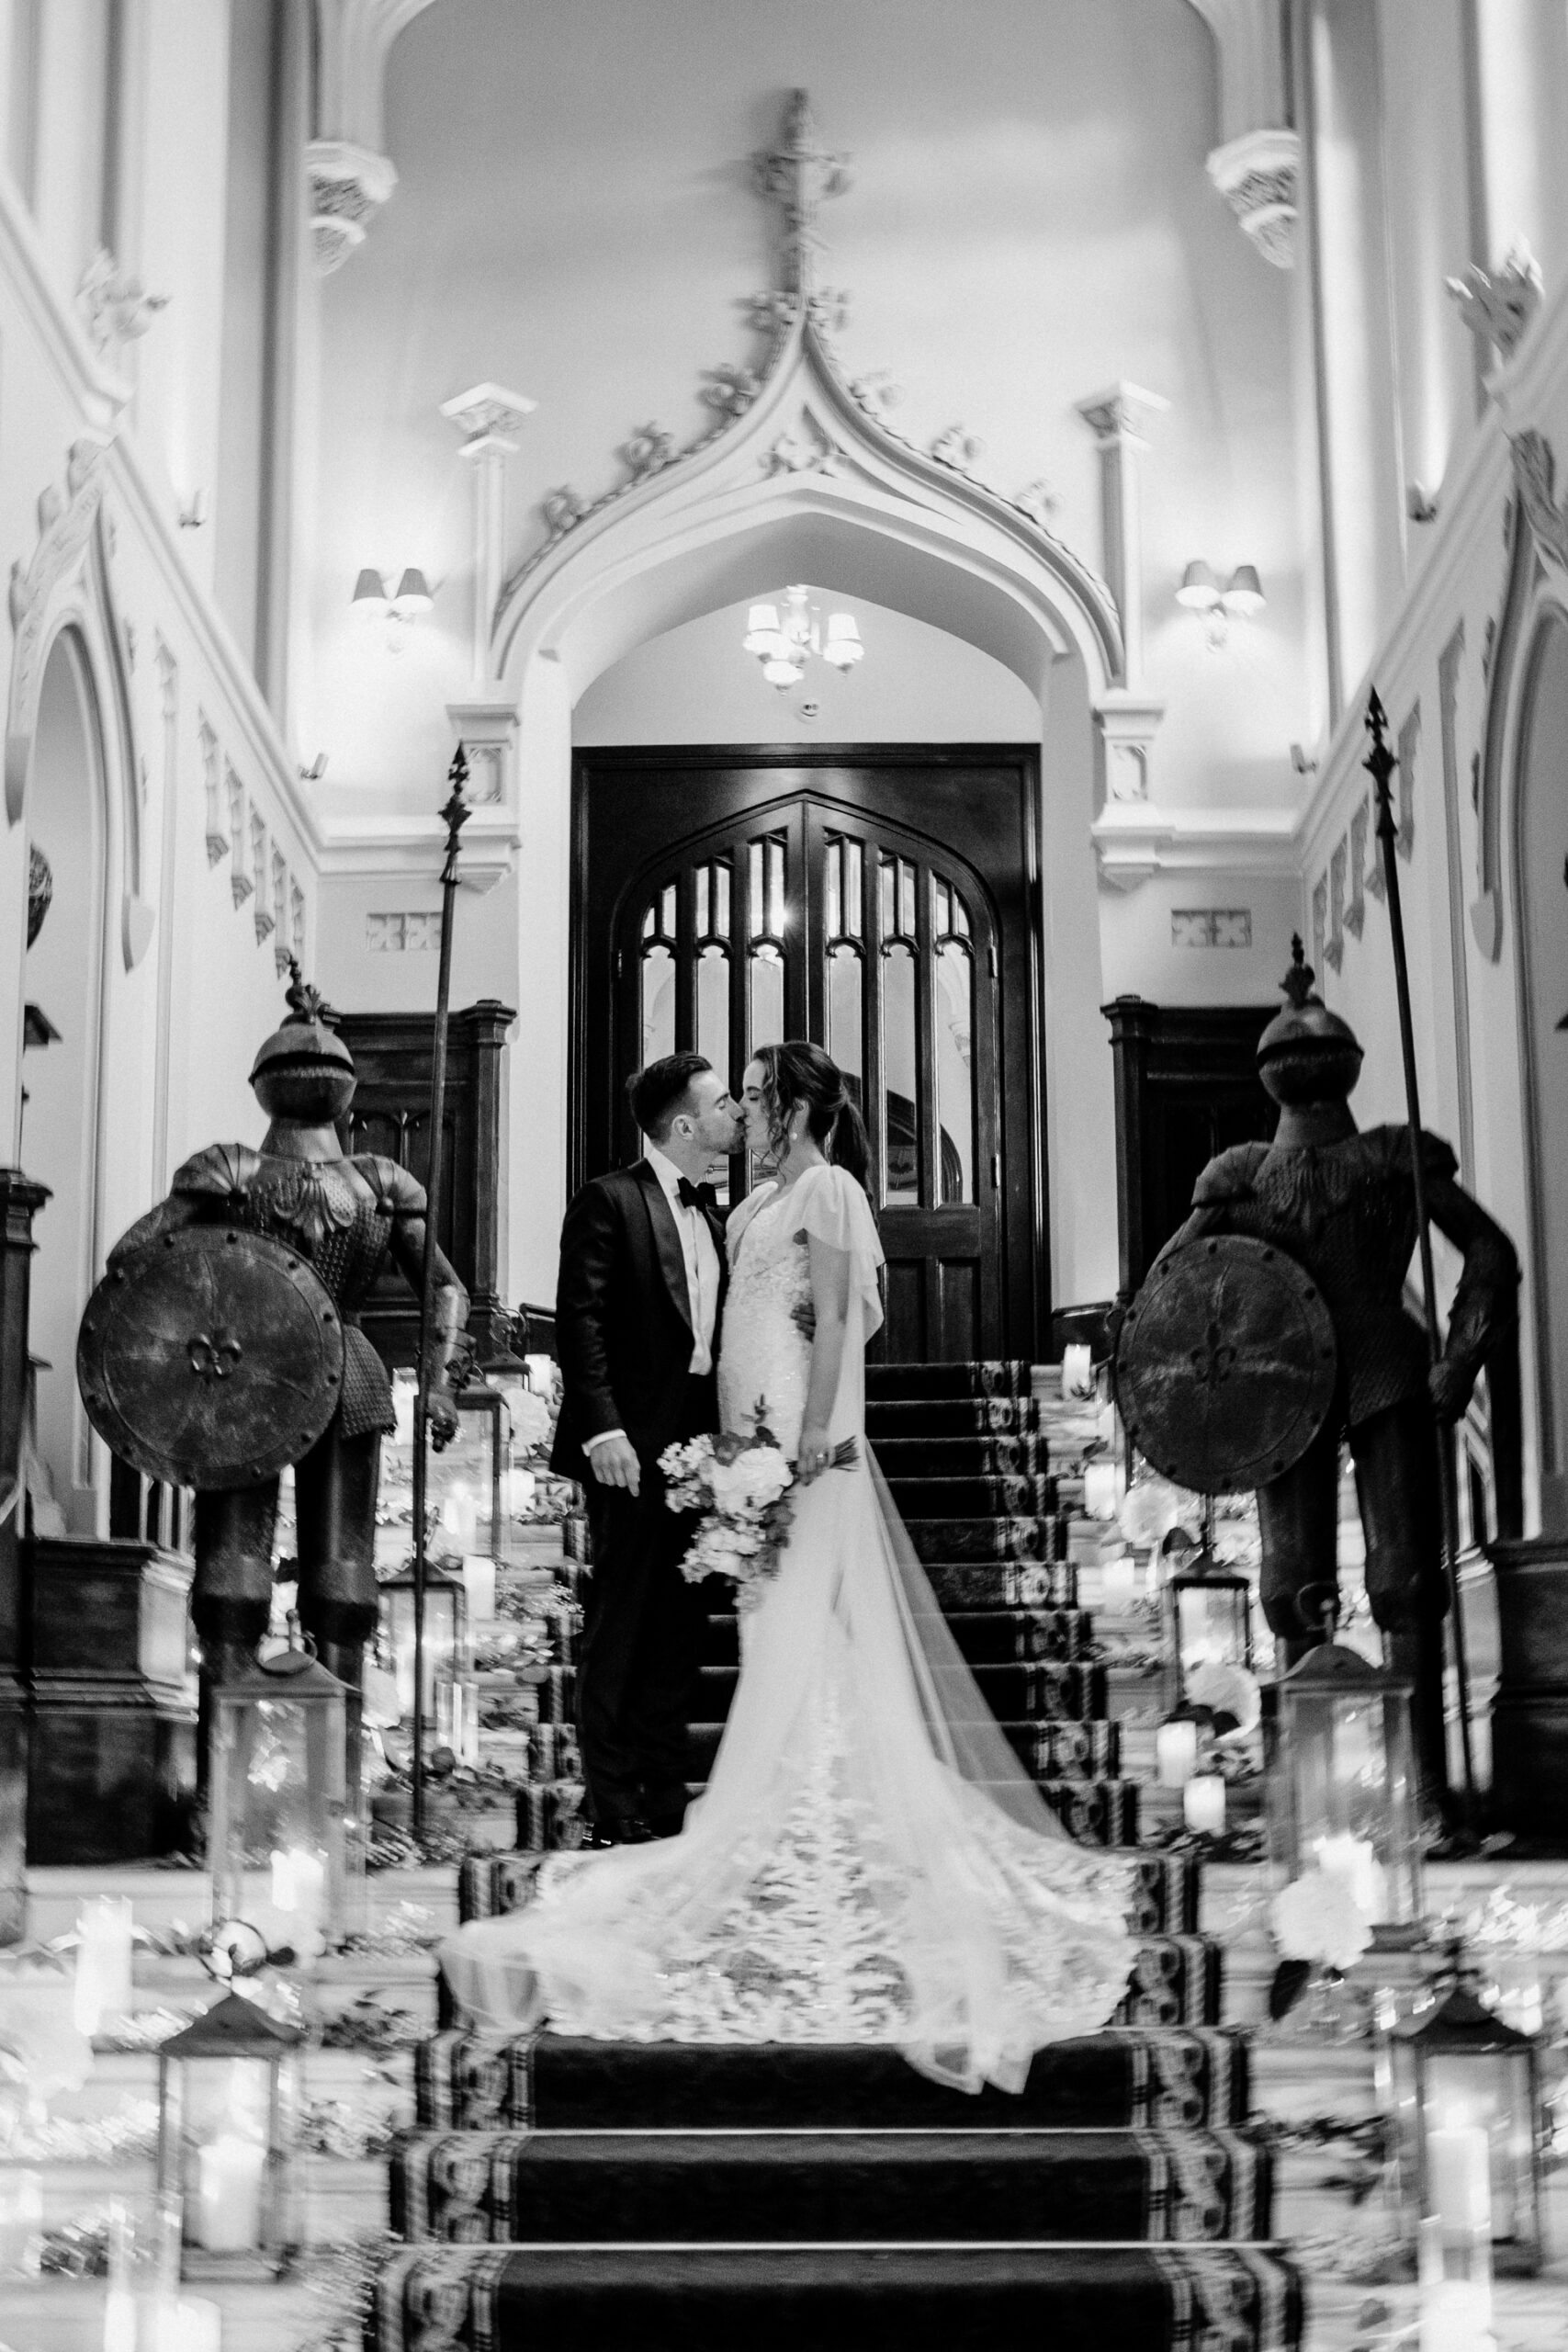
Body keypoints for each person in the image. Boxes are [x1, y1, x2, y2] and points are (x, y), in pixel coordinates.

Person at [445, 1041, 1134, 2094]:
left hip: (797, 1445)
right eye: (735, 1101)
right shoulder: (743, 1202)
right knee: (761, 1623)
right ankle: (753, 1800)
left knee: (804, 1626)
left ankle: (822, 1810)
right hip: (730, 1447)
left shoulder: (832, 1188)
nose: (746, 1114)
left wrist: (813, 1432)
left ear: (798, 1109)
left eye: (759, 1099)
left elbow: (846, 1320)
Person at [549, 1052, 742, 1845]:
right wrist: (603, 1430)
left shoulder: (718, 1216)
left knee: (680, 1626)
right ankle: (610, 1800)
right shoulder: (610, 1200)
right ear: (685, 1124)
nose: (737, 1112)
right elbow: (581, 1320)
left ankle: (664, 1795)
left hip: (702, 1447)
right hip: (627, 1446)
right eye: (724, 1101)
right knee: (621, 1626)